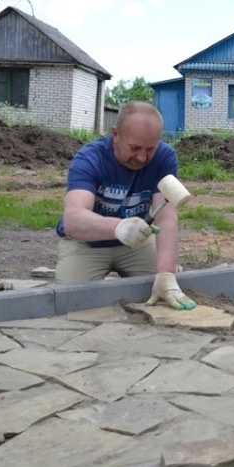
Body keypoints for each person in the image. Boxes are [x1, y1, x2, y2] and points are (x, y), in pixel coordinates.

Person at [55, 101, 196, 310]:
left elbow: (166, 217)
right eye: (135, 148)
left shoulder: (164, 157)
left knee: (162, 292)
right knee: (70, 302)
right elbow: (73, 220)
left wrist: (166, 273)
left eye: (150, 149)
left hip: (136, 242)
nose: (142, 157)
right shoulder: (89, 158)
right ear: (116, 135)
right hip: (86, 243)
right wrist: (119, 227)